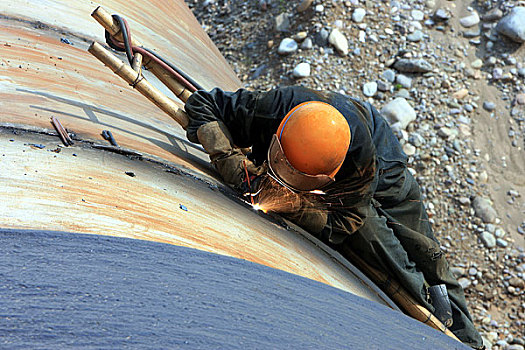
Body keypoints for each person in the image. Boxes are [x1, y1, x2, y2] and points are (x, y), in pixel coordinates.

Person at [184, 86, 484, 349]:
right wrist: (228, 159)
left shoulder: (358, 162)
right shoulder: (273, 107)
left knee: (410, 252)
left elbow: (345, 223)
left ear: (328, 179)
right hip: (331, 134)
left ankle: (461, 337)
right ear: (280, 133)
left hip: (385, 170)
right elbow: (202, 104)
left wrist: (290, 204)